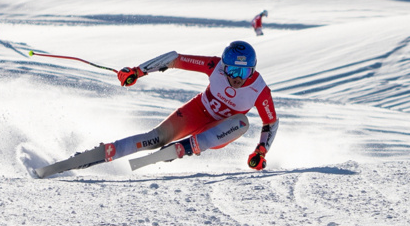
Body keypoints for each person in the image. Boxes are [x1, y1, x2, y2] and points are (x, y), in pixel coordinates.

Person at [38, 41, 278, 177]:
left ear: (253, 70)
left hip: (219, 130)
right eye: (231, 71)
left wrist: (261, 151)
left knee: (243, 123)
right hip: (197, 112)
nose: (235, 78)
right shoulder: (214, 65)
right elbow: (175, 58)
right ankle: (92, 156)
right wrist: (137, 71)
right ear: (223, 66)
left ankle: (188, 146)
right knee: (154, 138)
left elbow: (271, 122)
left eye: (243, 72)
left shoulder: (259, 89)